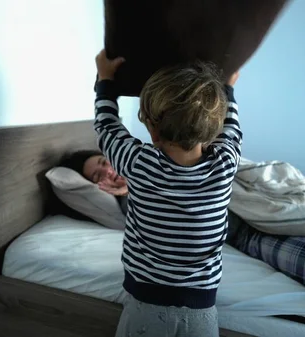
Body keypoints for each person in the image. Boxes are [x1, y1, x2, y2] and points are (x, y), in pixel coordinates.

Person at [94, 49, 242, 337]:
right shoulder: (226, 164)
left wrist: (105, 81)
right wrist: (229, 90)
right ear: (211, 127)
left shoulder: (138, 162)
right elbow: (232, 128)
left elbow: (106, 126)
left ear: (152, 129)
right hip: (202, 313)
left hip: (146, 307)